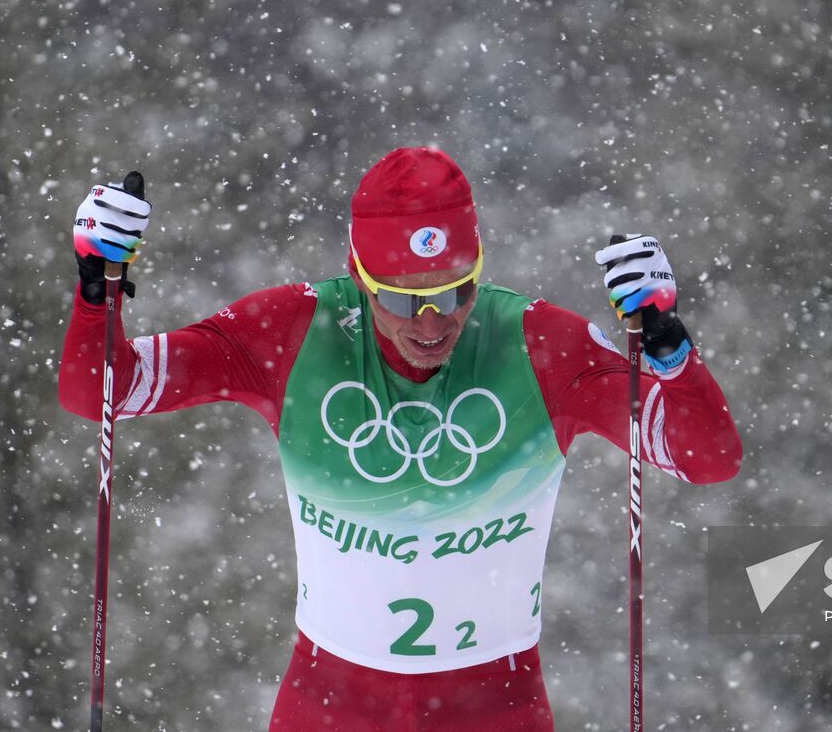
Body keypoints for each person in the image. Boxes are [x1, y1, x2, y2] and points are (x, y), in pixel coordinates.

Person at [60, 147, 742, 731]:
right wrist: (98, 291)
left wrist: (669, 347)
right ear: (359, 276)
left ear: (479, 272)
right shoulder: (295, 331)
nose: (429, 323)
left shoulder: (538, 345)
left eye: (454, 294)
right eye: (398, 297)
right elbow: (101, 392)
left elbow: (708, 457)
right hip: (329, 705)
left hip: (494, 709)